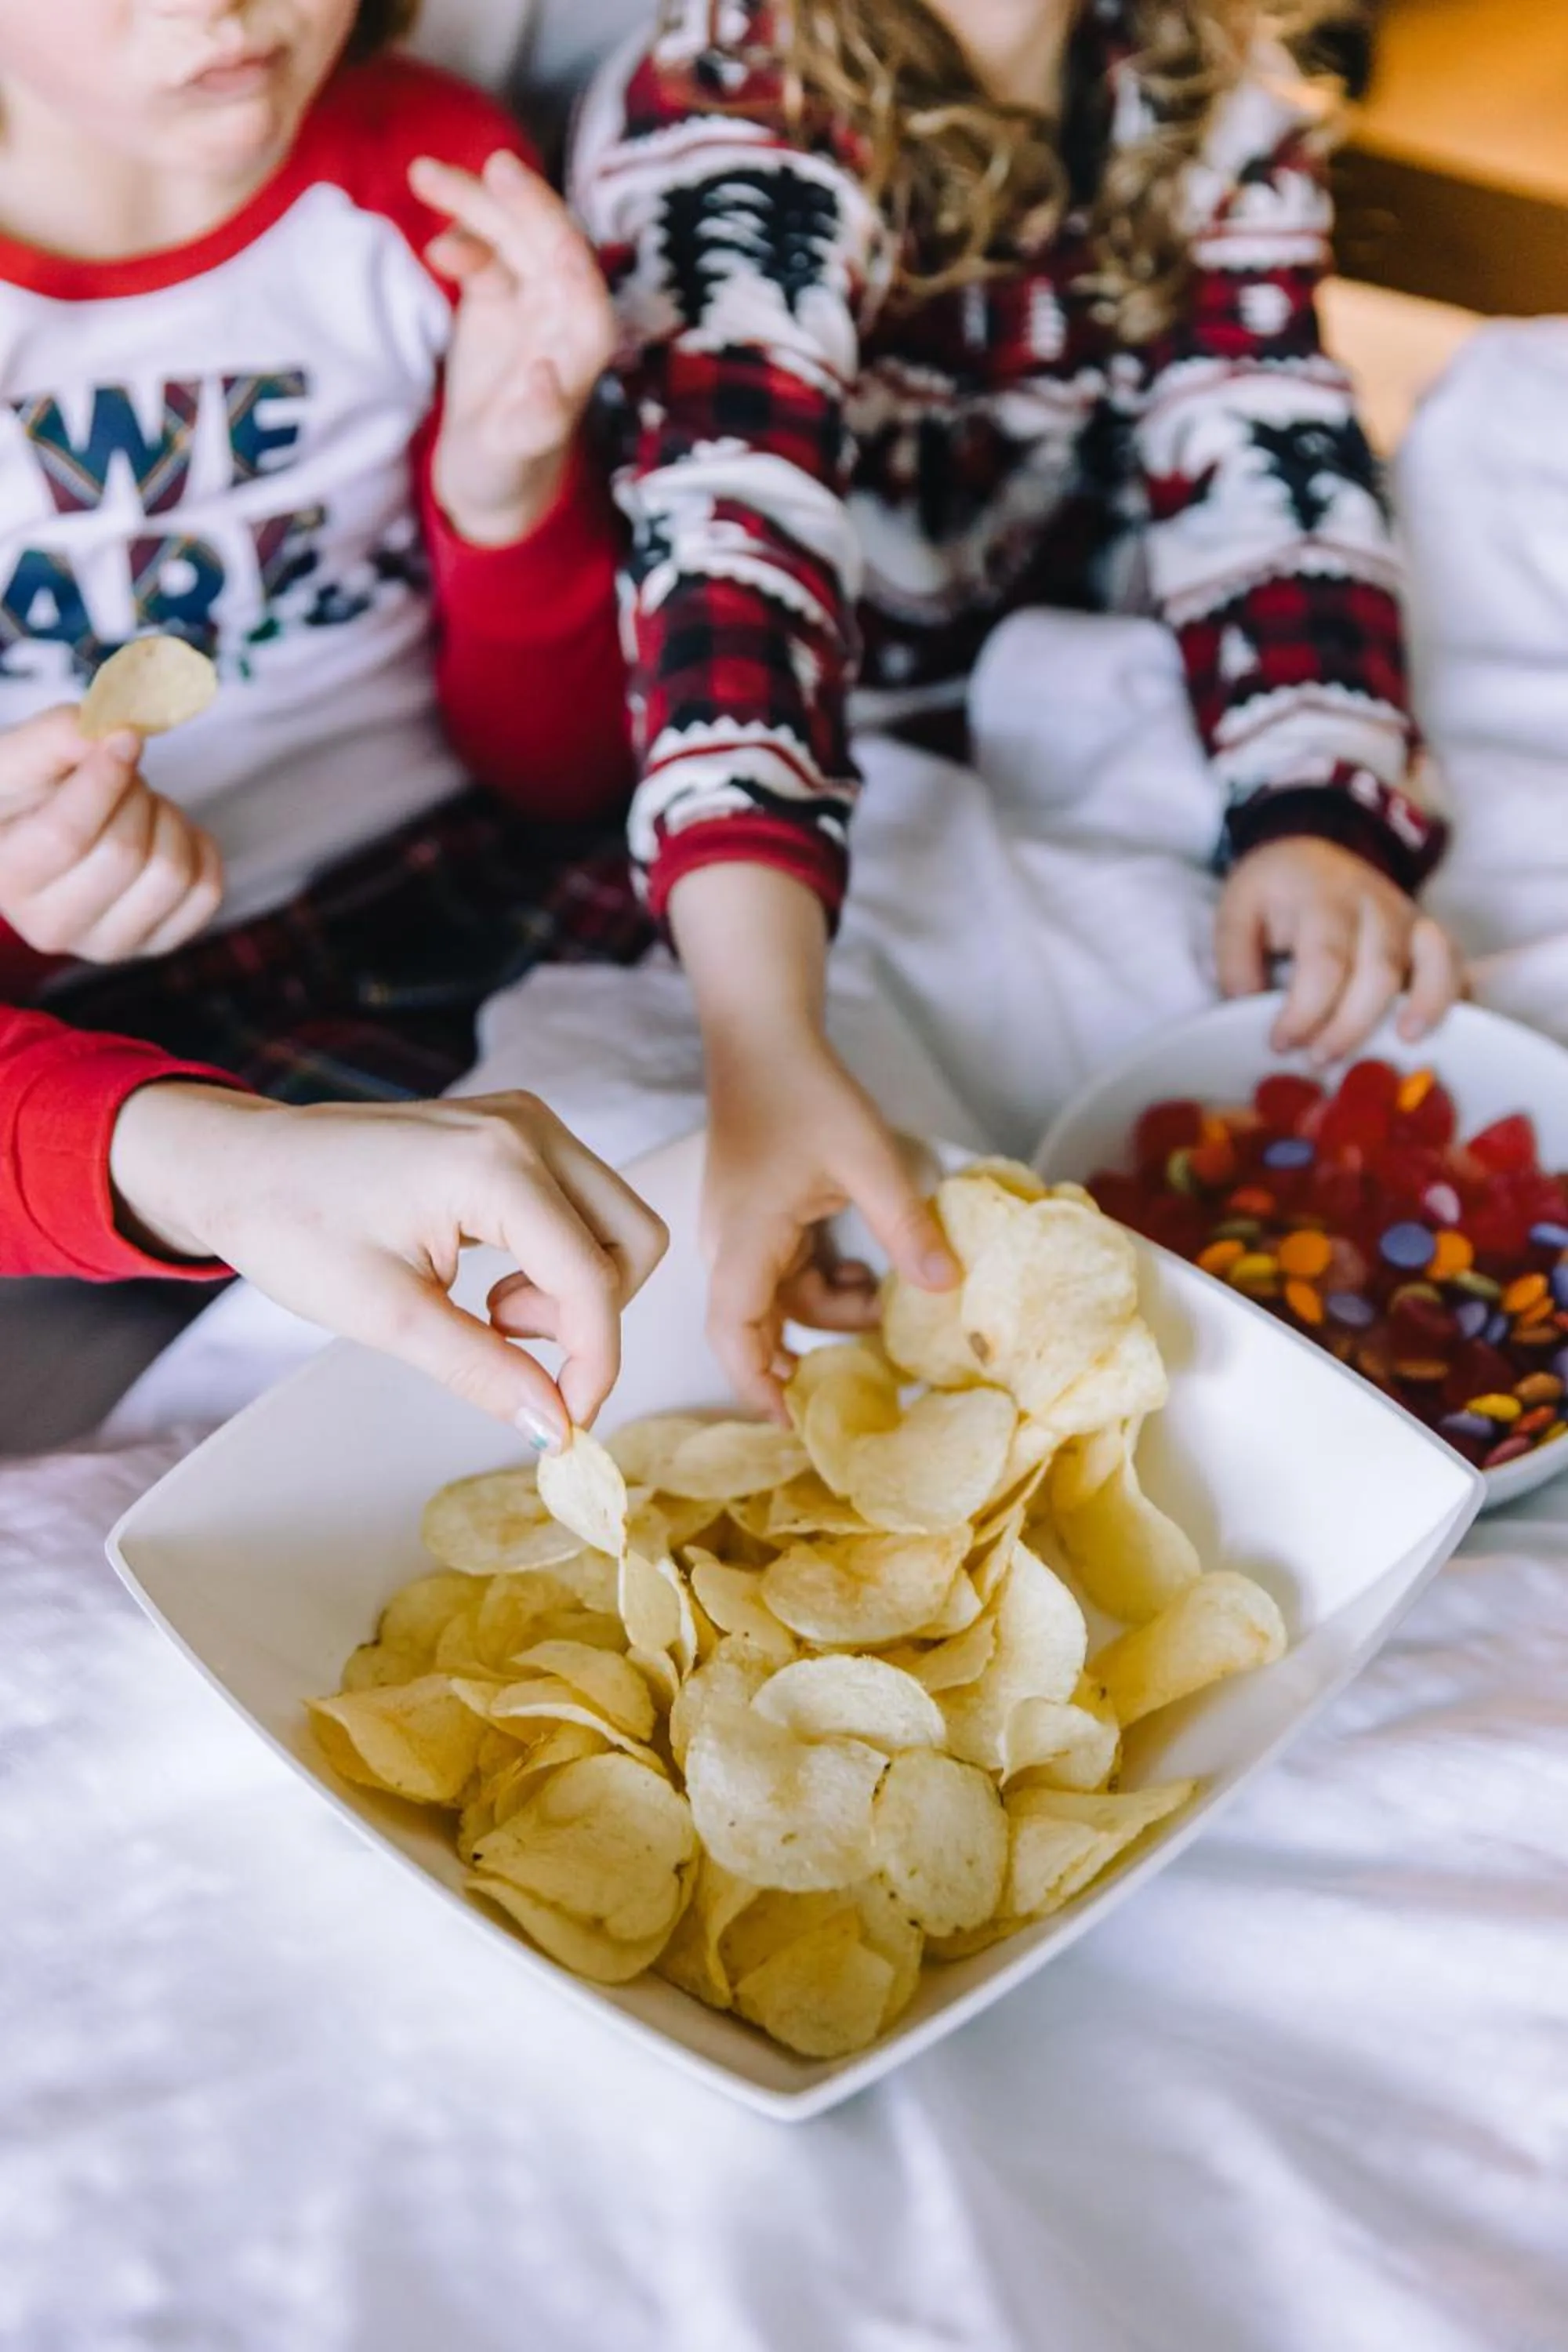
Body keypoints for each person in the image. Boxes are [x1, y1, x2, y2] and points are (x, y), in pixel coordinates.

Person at [574, 0, 1467, 1417]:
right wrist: (763, 1038)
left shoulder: (1217, 90)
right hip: (773, 780)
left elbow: (1270, 450)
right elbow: (734, 558)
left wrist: (1317, 805)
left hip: (1073, 679)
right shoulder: (727, 94)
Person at [0, 0, 662, 1432]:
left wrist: (505, 495)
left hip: (484, 875)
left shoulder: (426, 179)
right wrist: (25, 899)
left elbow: (569, 776)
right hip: (138, 1035)